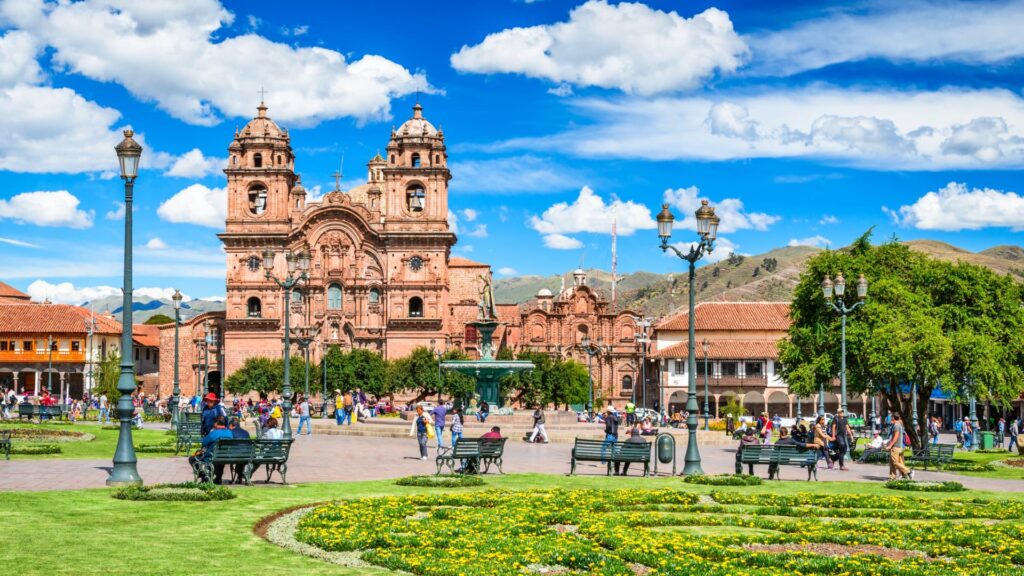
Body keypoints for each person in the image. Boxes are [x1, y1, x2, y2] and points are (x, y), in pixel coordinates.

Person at [189, 415, 234, 483]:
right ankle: (218, 478)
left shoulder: (213, 433)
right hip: (225, 456)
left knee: (192, 458)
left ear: (216, 423)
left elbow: (204, 444)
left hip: (211, 456)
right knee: (219, 458)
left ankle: (204, 476)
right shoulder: (229, 433)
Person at [887, 413, 913, 480]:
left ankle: (908, 471)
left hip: (896, 447)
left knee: (895, 462)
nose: (890, 418)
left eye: (891, 416)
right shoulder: (899, 425)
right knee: (892, 462)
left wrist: (890, 445)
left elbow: (896, 436)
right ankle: (892, 477)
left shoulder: (896, 425)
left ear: (893, 417)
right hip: (899, 447)